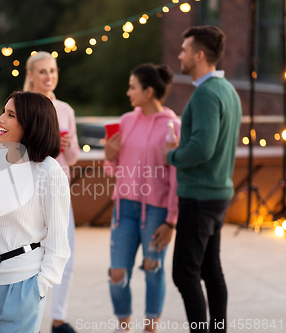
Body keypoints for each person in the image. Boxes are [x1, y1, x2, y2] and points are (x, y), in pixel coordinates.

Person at [0, 91, 71, 333]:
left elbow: (58, 242)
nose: (0, 120)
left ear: (32, 124)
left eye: (10, 115)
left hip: (24, 284)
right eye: (3, 112)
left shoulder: (49, 171)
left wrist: (40, 287)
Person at [163, 26, 242, 332]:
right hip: (216, 193)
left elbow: (202, 148)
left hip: (200, 196)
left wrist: (171, 156)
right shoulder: (227, 90)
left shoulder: (208, 94)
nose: (179, 55)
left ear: (199, 55)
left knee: (184, 275)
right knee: (210, 270)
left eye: (184, 50)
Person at [104, 63, 180, 333]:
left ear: (149, 92)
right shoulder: (125, 121)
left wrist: (171, 220)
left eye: (133, 87)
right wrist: (110, 155)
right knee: (116, 273)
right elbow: (112, 169)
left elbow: (176, 178)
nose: (128, 92)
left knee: (152, 268)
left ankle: (150, 328)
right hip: (124, 207)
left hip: (157, 211)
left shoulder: (174, 126)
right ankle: (123, 326)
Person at [23, 51, 80, 333]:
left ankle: (58, 320)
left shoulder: (66, 109)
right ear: (31, 74)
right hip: (29, 194)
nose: (49, 77)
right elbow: (11, 152)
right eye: (43, 71)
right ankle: (28, 315)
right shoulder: (21, 107)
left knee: (64, 255)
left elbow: (74, 158)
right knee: (32, 258)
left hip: (60, 193)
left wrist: (66, 145)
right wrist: (50, 142)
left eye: (53, 71)